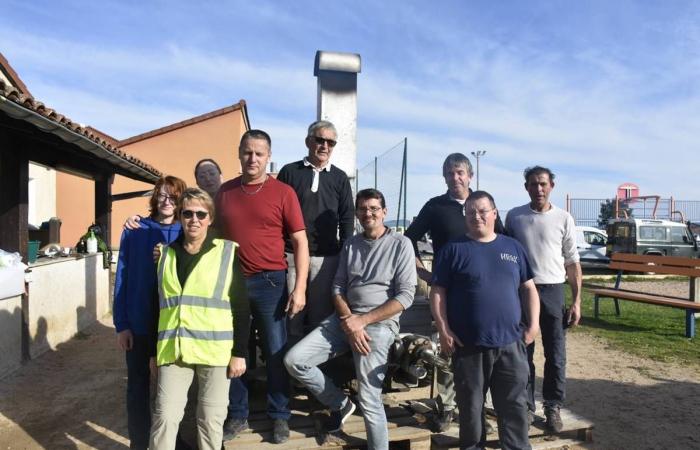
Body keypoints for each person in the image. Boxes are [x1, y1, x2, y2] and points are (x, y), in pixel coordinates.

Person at [284, 188, 417, 450]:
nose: (368, 213)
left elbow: (405, 297)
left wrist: (362, 321)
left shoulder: (401, 244)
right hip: (343, 320)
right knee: (294, 361)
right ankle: (340, 403)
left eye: (374, 209)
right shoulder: (351, 244)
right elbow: (337, 287)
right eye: (363, 209)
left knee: (369, 397)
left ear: (384, 212)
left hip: (378, 325)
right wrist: (349, 320)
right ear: (356, 213)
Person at [217, 129, 309, 444]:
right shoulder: (225, 192)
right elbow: (205, 233)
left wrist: (299, 290)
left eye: (259, 153)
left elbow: (300, 241)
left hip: (271, 283)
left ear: (268, 156)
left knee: (275, 351)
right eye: (247, 152)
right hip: (232, 285)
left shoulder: (283, 192)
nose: (252, 158)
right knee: (235, 350)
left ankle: (279, 415)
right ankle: (238, 413)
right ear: (239, 153)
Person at [430, 191, 540, 450]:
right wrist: (443, 329)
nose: (476, 217)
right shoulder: (452, 250)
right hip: (468, 346)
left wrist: (533, 325)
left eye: (482, 211)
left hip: (511, 344)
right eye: (470, 212)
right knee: (470, 408)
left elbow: (529, 288)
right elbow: (438, 292)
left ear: (494, 213)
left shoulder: (512, 247)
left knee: (513, 406)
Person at [404, 153, 503, 432]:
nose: (455, 177)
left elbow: (503, 240)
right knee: (447, 348)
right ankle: (447, 407)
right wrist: (424, 272)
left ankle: (476, 408)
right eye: (449, 173)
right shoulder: (435, 207)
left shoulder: (483, 204)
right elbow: (407, 239)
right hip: (448, 292)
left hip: (482, 292)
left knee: (481, 350)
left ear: (469, 175)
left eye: (460, 172)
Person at [148, 187, 250, 450]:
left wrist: (239, 352)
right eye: (188, 213)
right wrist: (152, 353)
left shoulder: (226, 253)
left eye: (201, 214)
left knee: (210, 421)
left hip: (214, 353)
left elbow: (240, 308)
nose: (194, 219)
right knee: (164, 418)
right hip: (174, 351)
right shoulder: (165, 255)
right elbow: (157, 308)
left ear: (210, 218)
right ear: (180, 216)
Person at [504, 166, 582, 433]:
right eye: (533, 184)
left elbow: (572, 262)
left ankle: (553, 406)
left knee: (556, 354)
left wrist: (577, 301)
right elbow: (504, 254)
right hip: (522, 292)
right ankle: (525, 407)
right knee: (521, 354)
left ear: (551, 186)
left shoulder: (564, 218)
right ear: (526, 187)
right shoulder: (515, 217)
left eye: (543, 184)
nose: (538, 188)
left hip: (552, 291)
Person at [113, 175, 186, 450]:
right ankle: (139, 443)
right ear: (155, 198)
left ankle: (174, 442)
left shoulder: (186, 231)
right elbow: (122, 277)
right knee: (138, 388)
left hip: (171, 325)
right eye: (162, 195)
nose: (167, 201)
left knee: (171, 391)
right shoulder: (135, 230)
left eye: (174, 196)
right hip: (140, 321)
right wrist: (122, 324)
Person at [277, 120, 354, 343]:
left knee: (320, 317)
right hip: (291, 256)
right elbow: (278, 214)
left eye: (330, 142)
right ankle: (289, 371)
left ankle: (314, 371)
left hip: (326, 258)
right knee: (292, 314)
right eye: (320, 140)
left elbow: (346, 217)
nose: (324, 146)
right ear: (308, 141)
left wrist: (345, 255)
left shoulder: (339, 178)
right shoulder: (290, 172)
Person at [124, 158, 224, 230]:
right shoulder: (192, 205)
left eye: (212, 173)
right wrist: (137, 220)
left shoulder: (234, 196)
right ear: (197, 182)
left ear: (221, 176)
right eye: (202, 176)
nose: (208, 178)